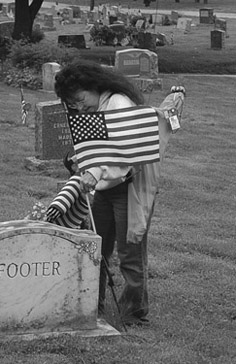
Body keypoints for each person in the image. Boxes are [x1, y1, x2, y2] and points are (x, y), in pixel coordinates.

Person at [54, 60, 185, 326]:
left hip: (128, 189)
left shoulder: (118, 104)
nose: (79, 107)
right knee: (95, 248)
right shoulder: (91, 108)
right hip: (103, 191)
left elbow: (126, 153)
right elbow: (93, 146)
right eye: (72, 103)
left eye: (80, 99)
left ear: (93, 86)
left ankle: (134, 313)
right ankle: (92, 305)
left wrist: (97, 172)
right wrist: (82, 164)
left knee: (130, 253)